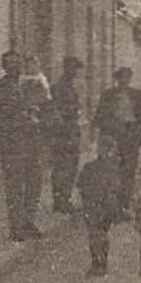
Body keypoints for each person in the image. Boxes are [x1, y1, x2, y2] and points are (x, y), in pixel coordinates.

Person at [0, 52, 45, 242]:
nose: (15, 68)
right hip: (13, 142)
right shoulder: (0, 86)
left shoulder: (29, 84)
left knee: (34, 183)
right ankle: (16, 227)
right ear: (5, 67)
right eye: (10, 64)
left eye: (17, 64)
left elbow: (42, 103)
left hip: (31, 140)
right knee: (15, 185)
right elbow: (2, 116)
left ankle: (28, 221)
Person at [94, 67, 141, 210]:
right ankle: (110, 201)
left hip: (131, 135)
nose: (124, 80)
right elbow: (99, 116)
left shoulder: (136, 94)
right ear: (116, 79)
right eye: (121, 78)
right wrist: (108, 128)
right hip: (113, 136)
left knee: (129, 169)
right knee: (111, 169)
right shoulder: (108, 95)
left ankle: (124, 201)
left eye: (127, 77)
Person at [76, 136, 125, 276]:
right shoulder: (90, 168)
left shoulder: (112, 170)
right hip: (92, 207)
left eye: (109, 150)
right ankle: (96, 262)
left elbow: (116, 190)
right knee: (94, 235)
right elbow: (81, 185)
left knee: (101, 235)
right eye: (103, 149)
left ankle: (102, 262)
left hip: (105, 208)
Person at [48, 56, 85, 214]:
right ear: (66, 68)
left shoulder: (70, 86)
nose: (75, 71)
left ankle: (65, 199)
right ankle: (60, 200)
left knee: (71, 167)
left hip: (71, 131)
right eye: (72, 68)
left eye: (76, 68)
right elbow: (54, 110)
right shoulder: (58, 87)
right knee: (62, 167)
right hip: (62, 133)